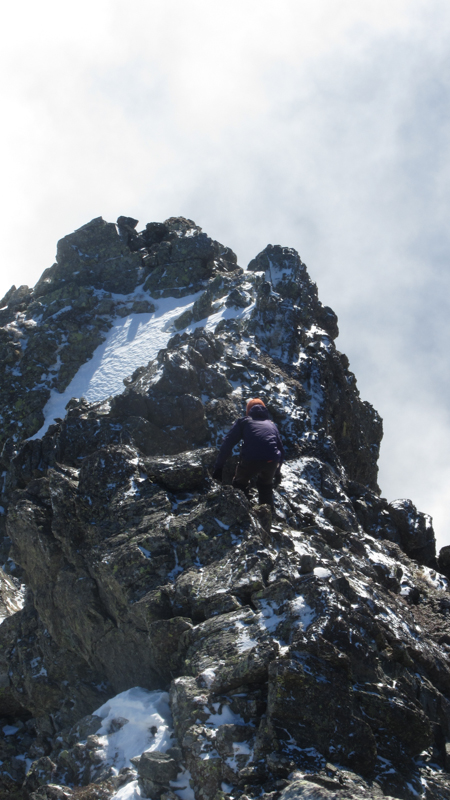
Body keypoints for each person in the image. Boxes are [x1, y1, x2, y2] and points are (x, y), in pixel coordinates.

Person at [212, 398, 285, 507]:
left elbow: (228, 444)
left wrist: (218, 467)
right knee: (265, 487)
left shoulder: (244, 422)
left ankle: (243, 513)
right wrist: (277, 472)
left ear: (248, 411)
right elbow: (281, 450)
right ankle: (266, 516)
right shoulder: (271, 424)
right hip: (272, 460)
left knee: (239, 485)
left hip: (250, 459)